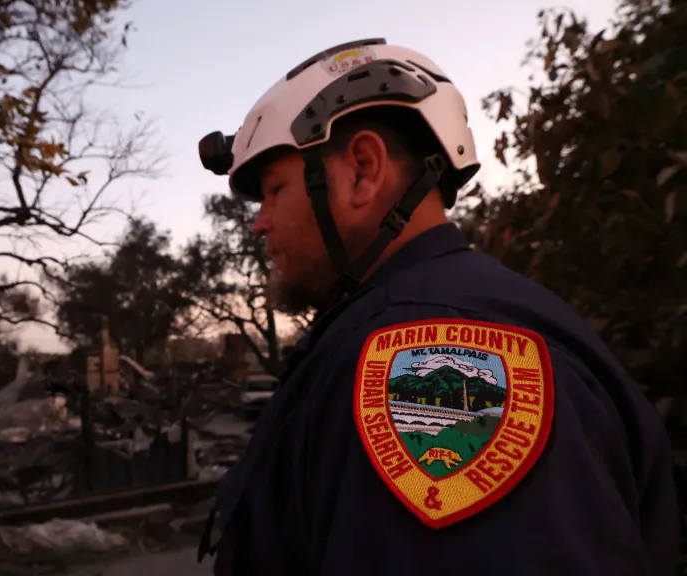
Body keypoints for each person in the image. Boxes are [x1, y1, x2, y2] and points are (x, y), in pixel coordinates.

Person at [195, 38, 679, 575]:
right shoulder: (418, 320)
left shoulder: (433, 349)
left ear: (362, 170)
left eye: (275, 189)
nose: (260, 222)